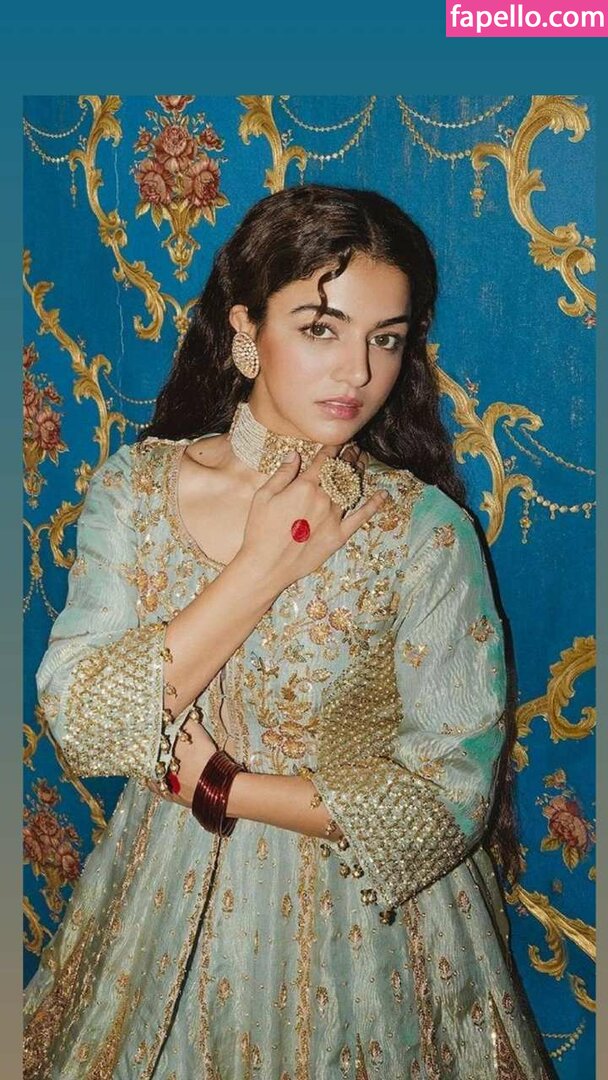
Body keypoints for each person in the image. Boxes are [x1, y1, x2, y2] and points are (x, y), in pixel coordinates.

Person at [23, 183, 556, 1079]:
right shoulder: (136, 490)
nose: (357, 373)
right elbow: (80, 719)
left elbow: (450, 797)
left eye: (385, 339)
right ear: (246, 329)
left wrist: (225, 786)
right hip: (160, 898)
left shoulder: (423, 532)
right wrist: (262, 565)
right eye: (321, 328)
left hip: (375, 927)